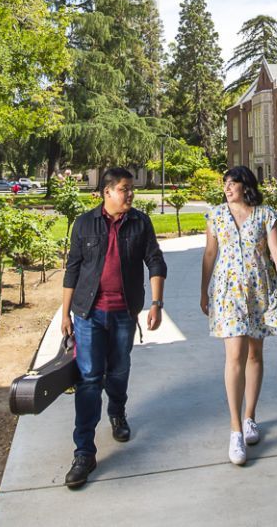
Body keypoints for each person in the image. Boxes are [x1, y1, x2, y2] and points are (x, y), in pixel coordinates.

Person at [61, 167, 167, 488]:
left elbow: (156, 260)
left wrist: (157, 303)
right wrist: (65, 314)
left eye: (131, 189)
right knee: (90, 379)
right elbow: (73, 269)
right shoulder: (84, 223)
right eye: (124, 189)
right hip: (88, 314)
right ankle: (84, 452)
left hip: (123, 312)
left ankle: (117, 412)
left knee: (119, 371)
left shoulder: (140, 222)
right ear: (106, 192)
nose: (130, 194)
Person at [200, 166, 277, 466]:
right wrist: (203, 291)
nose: (227, 187)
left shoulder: (265, 214)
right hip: (227, 293)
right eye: (225, 183)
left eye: (233, 182)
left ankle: (250, 417)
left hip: (258, 291)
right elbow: (210, 254)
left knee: (254, 355)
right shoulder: (215, 215)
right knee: (234, 354)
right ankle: (235, 430)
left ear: (245, 185)